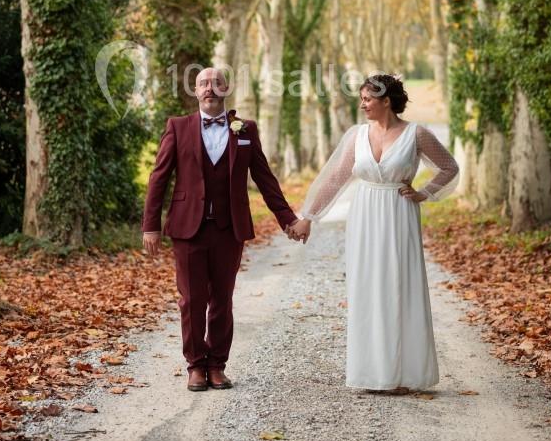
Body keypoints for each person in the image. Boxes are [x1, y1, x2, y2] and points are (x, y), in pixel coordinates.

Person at [142, 67, 310, 391]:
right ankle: (195, 365)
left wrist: (288, 219)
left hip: (228, 229)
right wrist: (150, 226)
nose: (209, 88)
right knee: (191, 300)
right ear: (195, 90)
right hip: (187, 228)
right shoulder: (178, 127)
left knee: (223, 298)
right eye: (203, 83)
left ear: (226, 89)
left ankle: (217, 365)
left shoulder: (244, 129)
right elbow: (158, 177)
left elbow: (265, 179)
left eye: (215, 83)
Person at [298, 74, 460, 392]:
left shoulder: (416, 134)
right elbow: (335, 179)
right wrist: (308, 217)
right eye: (362, 98)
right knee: (368, 287)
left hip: (399, 213)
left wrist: (425, 192)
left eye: (368, 99)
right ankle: (372, 373)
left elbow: (449, 167)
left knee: (399, 286)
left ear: (386, 101)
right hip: (365, 213)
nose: (363, 104)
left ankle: (403, 374)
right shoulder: (357, 135)